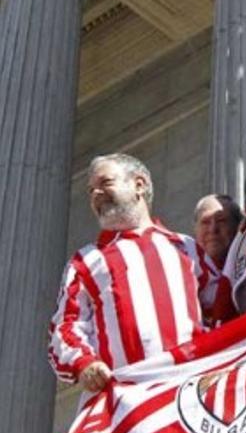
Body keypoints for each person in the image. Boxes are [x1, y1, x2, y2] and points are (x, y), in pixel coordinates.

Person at [48, 154, 217, 392]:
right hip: (124, 404)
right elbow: (65, 327)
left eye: (105, 183)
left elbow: (221, 308)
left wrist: (221, 360)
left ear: (139, 185)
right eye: (91, 191)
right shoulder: (86, 261)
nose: (96, 194)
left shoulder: (187, 248)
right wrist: (84, 363)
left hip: (189, 391)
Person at [193, 193, 243, 268]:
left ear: (237, 226)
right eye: (205, 222)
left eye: (221, 221)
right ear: (195, 229)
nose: (213, 229)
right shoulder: (181, 273)